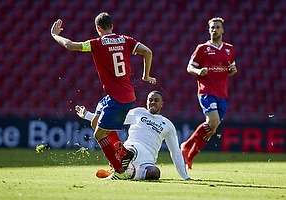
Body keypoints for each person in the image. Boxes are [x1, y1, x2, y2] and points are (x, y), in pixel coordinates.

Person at [51, 12, 156, 180]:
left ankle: (120, 172)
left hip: (118, 98)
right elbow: (148, 52)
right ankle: (123, 153)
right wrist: (146, 75)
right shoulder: (126, 40)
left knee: (99, 135)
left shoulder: (97, 44)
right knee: (95, 122)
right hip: (122, 94)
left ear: (98, 29)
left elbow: (70, 45)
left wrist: (55, 35)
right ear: (112, 26)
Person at [75, 91, 190, 180]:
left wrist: (185, 177)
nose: (153, 102)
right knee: (127, 149)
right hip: (131, 148)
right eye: (150, 100)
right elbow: (110, 120)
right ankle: (122, 161)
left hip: (147, 159)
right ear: (146, 102)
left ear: (161, 104)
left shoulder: (168, 124)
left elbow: (175, 151)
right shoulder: (138, 112)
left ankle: (126, 172)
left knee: (155, 173)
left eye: (156, 100)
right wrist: (87, 115)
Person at [180, 17, 237, 169]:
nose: (215, 30)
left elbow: (231, 68)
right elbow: (189, 67)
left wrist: (232, 71)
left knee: (212, 129)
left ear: (222, 30)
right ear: (209, 30)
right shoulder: (202, 48)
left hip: (222, 93)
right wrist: (199, 70)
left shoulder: (229, 49)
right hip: (206, 90)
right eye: (212, 27)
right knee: (212, 123)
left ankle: (189, 158)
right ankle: (186, 145)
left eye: (217, 27)